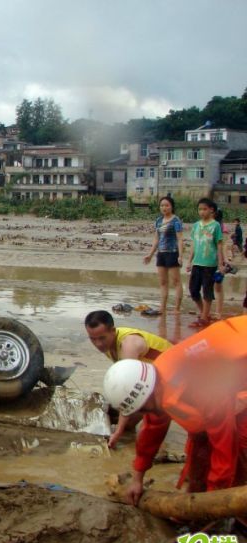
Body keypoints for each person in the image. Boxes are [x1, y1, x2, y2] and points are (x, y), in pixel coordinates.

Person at [103, 315, 247, 504]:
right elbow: (151, 432)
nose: (143, 415)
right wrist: (138, 478)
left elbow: (224, 448)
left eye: (143, 409)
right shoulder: (155, 384)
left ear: (149, 394)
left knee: (241, 449)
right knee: (201, 452)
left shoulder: (201, 389)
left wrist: (213, 502)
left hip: (238, 364)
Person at [84, 310, 173, 449]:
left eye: (102, 338)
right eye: (92, 339)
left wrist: (118, 432)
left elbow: (128, 387)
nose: (98, 344)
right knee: (115, 415)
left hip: (175, 376)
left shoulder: (128, 345)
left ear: (113, 331)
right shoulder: (109, 345)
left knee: (129, 422)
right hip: (153, 379)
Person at [187, 198, 225, 328]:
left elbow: (219, 245)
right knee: (193, 290)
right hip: (197, 263)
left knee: (207, 291)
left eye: (204, 209)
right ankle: (204, 312)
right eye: (199, 209)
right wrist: (189, 261)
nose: (201, 212)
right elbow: (193, 244)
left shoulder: (215, 226)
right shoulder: (196, 225)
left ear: (211, 210)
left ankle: (204, 318)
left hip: (210, 264)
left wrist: (220, 264)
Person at [143, 196, 183, 314]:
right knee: (163, 282)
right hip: (161, 254)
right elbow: (156, 239)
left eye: (166, 205)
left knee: (176, 281)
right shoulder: (159, 221)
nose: (164, 208)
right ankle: (163, 307)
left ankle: (177, 308)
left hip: (172, 253)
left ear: (172, 207)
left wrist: (180, 255)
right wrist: (150, 255)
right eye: (162, 205)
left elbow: (180, 238)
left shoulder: (176, 221)